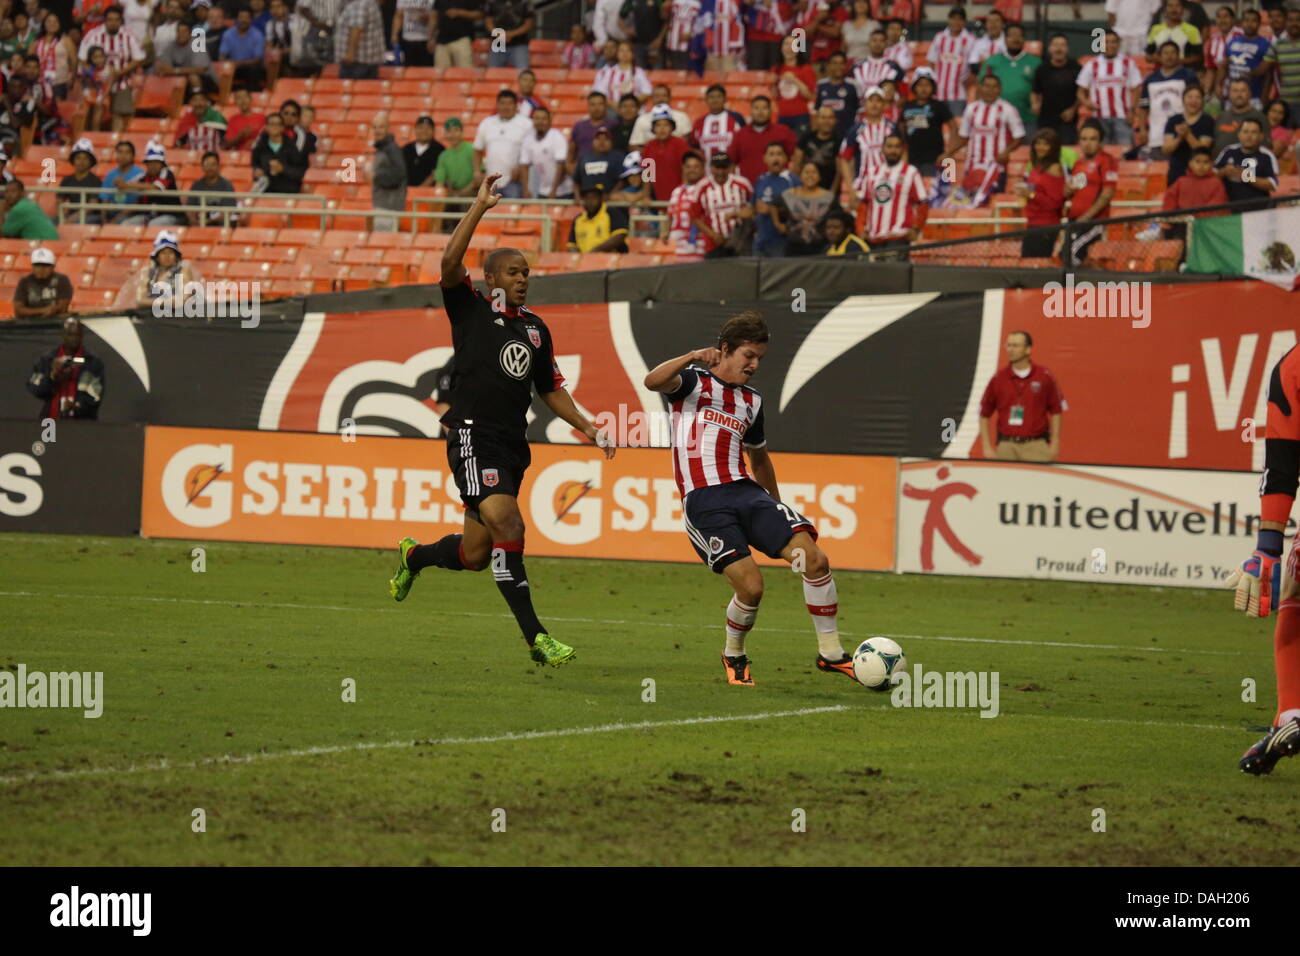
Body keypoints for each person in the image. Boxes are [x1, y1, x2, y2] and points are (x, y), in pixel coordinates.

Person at [389, 173, 614, 668]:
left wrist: (591, 426)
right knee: (509, 522)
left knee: (474, 554)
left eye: (526, 271)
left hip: (512, 445)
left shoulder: (535, 329)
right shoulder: (470, 310)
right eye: (513, 271)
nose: (522, 277)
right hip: (471, 436)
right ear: (490, 279)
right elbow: (449, 263)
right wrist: (479, 208)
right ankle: (537, 638)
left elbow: (551, 389)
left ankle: (413, 557)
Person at [642, 311, 859, 686]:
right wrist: (693, 354)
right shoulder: (692, 383)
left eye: (760, 358)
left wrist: (779, 507)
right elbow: (652, 381)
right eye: (749, 356)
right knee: (752, 587)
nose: (755, 365)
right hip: (705, 500)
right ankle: (734, 653)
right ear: (725, 350)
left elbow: (759, 456)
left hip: (748, 494)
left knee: (813, 559)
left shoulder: (752, 402)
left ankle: (831, 652)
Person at [1225, 343, 1300, 774]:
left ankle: (1290, 716)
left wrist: (1267, 548)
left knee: (1294, 597)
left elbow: (1282, 466)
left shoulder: (1292, 366)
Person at [979, 330, 1064, 463]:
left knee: (1037, 482)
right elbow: (984, 413)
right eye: (1008, 345)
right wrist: (986, 446)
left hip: (1035, 445)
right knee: (1005, 483)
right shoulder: (998, 378)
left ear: (1028, 349)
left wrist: (1055, 442)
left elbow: (1057, 410)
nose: (1010, 349)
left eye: (1016, 346)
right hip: (1006, 445)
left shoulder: (1044, 376)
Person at [939, 73, 1024, 196]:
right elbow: (963, 137)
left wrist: (1006, 152)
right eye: (987, 86)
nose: (990, 90)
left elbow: (1019, 137)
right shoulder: (971, 108)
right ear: (981, 88)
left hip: (996, 167)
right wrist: (948, 154)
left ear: (999, 89)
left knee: (993, 202)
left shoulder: (1008, 109)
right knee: (971, 205)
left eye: (994, 87)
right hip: (973, 166)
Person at [77, 4, 145, 132]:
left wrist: (118, 73)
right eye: (110, 20)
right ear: (104, 20)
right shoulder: (93, 35)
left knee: (120, 117)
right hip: (96, 85)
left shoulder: (129, 36)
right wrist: (94, 75)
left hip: (121, 82)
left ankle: (115, 144)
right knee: (93, 118)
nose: (113, 23)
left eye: (116, 20)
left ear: (121, 21)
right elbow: (82, 59)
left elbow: (138, 59)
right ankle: (94, 142)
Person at [1076, 30, 1143, 147]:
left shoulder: (1128, 63)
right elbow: (1080, 91)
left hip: (1122, 117)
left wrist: (1132, 111)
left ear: (1119, 44)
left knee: (1125, 151)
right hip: (1099, 117)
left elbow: (1137, 88)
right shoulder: (1092, 64)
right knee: (1101, 152)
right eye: (1106, 42)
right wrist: (1086, 102)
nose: (1110, 45)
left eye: (1113, 42)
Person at [1064, 119, 1118, 265]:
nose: (1087, 143)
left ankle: (1085, 286)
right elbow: (1072, 191)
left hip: (1093, 221)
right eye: (1084, 139)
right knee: (1064, 256)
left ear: (1100, 141)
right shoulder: (1078, 163)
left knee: (1070, 255)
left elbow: (1108, 193)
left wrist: (1088, 216)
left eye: (1093, 139)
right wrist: (1068, 191)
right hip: (1074, 220)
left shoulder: (1107, 161)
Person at [27, 318, 103, 421]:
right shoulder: (48, 360)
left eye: (77, 335)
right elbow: (36, 390)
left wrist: (76, 405)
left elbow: (96, 397)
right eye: (70, 334)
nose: (74, 339)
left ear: (82, 336)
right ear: (63, 335)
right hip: (51, 421)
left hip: (82, 424)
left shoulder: (92, 363)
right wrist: (52, 375)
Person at [864, 131, 927, 252]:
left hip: (898, 237)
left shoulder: (911, 172)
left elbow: (923, 204)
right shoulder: (871, 173)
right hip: (873, 238)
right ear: (882, 149)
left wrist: (916, 228)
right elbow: (864, 203)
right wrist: (861, 229)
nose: (893, 150)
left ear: (903, 149)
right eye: (889, 146)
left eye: (897, 147)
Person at [1138, 40, 1202, 157]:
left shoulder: (1188, 75)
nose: (1169, 56)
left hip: (1181, 136)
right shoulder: (1151, 79)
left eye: (1173, 53)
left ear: (1178, 55)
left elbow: (1197, 103)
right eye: (1166, 53)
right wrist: (1142, 129)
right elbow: (1143, 107)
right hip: (1156, 136)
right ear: (1159, 56)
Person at [838, 85, 896, 205]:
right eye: (871, 100)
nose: (874, 104)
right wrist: (851, 190)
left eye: (878, 100)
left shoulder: (892, 128)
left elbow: (903, 154)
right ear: (864, 104)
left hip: (890, 184)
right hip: (862, 187)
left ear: (884, 104)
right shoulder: (855, 130)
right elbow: (844, 159)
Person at [980, 22, 1041, 136]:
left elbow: (1043, 89)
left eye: (1019, 35)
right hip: (997, 120)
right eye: (1011, 35)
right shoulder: (992, 61)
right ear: (1005, 39)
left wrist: (1038, 104)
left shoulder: (1036, 63)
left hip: (1027, 119)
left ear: (1024, 39)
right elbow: (981, 88)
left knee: (1027, 153)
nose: (1015, 38)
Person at [1014, 128, 1065, 258]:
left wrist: (1031, 195)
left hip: (1046, 225)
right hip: (1032, 222)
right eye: (1038, 143)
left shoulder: (1054, 168)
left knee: (1037, 266)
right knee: (1027, 265)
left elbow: (1056, 202)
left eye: (1046, 144)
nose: (1040, 147)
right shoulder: (1035, 166)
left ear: (1053, 147)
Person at [691, 152, 754, 258]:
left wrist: (737, 214)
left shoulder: (743, 184)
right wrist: (713, 235)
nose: (720, 172)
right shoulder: (702, 187)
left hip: (740, 242)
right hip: (713, 244)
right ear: (711, 168)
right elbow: (694, 216)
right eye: (717, 168)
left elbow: (753, 208)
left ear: (730, 167)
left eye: (724, 168)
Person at [473, 89, 532, 200]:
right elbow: (478, 149)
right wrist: (477, 171)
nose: (506, 107)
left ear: (516, 106)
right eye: (502, 103)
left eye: (509, 103)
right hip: (490, 181)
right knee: (491, 215)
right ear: (497, 105)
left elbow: (531, 151)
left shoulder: (526, 124)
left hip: (514, 181)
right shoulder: (487, 123)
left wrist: (520, 167)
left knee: (512, 213)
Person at [1160, 145, 1228, 237]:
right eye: (1197, 162)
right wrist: (1172, 218)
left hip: (1206, 228)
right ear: (1190, 163)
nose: (1201, 166)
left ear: (1211, 164)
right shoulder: (1181, 181)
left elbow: (1215, 209)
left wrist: (1191, 218)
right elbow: (1169, 202)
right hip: (1182, 225)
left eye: (1205, 162)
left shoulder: (1216, 183)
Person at [772, 159, 836, 256]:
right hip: (793, 247)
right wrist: (778, 224)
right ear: (800, 175)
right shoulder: (789, 194)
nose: (810, 175)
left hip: (820, 247)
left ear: (819, 176)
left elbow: (838, 217)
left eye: (814, 172)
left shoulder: (829, 197)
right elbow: (773, 204)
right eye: (806, 172)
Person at [730, 94, 799, 184]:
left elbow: (797, 158)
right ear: (750, 111)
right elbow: (731, 162)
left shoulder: (783, 132)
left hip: (781, 189)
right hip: (749, 190)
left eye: (764, 108)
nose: (760, 112)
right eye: (756, 108)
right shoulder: (740, 134)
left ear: (770, 111)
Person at [1215, 116, 1279, 209]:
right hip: (1229, 207)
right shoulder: (1228, 151)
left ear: (1261, 136)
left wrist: (1247, 177)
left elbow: (1272, 184)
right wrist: (1224, 171)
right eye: (1245, 132)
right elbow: (1212, 175)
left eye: (1253, 132)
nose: (1249, 136)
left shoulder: (1267, 156)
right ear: (1239, 134)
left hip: (1259, 208)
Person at [121, 140, 184, 227]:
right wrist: (121, 183)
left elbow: (155, 187)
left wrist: (127, 185)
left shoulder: (167, 173)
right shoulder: (144, 175)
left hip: (170, 214)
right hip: (149, 215)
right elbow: (127, 184)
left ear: (162, 163)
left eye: (156, 162)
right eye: (150, 162)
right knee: (126, 224)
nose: (153, 165)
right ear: (146, 164)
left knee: (153, 225)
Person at [1032, 33, 1081, 146]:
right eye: (1055, 45)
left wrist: (1073, 109)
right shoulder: (1041, 69)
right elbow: (1035, 91)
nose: (1059, 49)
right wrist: (1035, 103)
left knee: (1067, 153)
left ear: (1067, 49)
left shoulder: (1076, 67)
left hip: (1068, 121)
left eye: (1062, 45)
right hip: (1046, 120)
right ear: (1050, 48)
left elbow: (1082, 92)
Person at [899, 68, 950, 176]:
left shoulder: (939, 106)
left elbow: (954, 128)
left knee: (931, 190)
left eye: (927, 85)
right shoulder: (907, 106)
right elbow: (901, 129)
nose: (923, 88)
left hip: (934, 159)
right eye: (920, 85)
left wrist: (948, 153)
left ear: (933, 88)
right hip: (912, 159)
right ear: (914, 87)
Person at [1220, 8, 1274, 107]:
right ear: (1241, 23)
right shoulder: (1233, 41)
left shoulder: (1265, 44)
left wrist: (1264, 97)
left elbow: (1268, 75)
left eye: (1254, 21)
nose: (1250, 24)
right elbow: (1224, 66)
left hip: (1254, 97)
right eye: (1246, 20)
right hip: (1232, 96)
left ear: (1259, 24)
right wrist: (1218, 86)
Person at [1162, 84, 1215, 183]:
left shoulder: (1207, 121)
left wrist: (1187, 135)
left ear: (1202, 101)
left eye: (1197, 97)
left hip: (1200, 175)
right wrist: (1179, 138)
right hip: (1176, 173)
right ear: (1183, 100)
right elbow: (1166, 149)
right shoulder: (1174, 120)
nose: (1193, 101)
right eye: (1189, 97)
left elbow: (1203, 151)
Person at [930, 4, 976, 118]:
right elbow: (931, 61)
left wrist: (965, 84)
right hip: (938, 94)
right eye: (953, 18)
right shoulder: (939, 37)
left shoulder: (970, 40)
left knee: (958, 126)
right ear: (949, 20)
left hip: (958, 95)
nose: (956, 22)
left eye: (960, 19)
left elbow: (975, 67)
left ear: (964, 22)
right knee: (938, 128)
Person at [752, 141, 797, 257]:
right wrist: (736, 213)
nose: (775, 158)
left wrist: (771, 210)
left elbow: (799, 210)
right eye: (771, 154)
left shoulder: (792, 180)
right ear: (764, 159)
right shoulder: (761, 180)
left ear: (786, 158)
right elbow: (753, 207)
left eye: (779, 154)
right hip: (760, 241)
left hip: (781, 241)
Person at [638, 103, 690, 202]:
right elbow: (647, 174)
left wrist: (683, 193)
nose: (662, 128)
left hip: (678, 195)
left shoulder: (680, 144)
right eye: (658, 125)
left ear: (672, 127)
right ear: (653, 128)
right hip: (657, 196)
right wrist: (646, 195)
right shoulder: (649, 146)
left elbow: (686, 170)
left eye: (666, 125)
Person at [517, 105, 571, 199]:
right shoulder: (528, 140)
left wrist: (554, 190)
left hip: (562, 190)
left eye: (543, 119)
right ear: (533, 121)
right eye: (537, 118)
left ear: (549, 121)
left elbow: (561, 165)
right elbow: (524, 165)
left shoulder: (557, 137)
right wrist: (525, 189)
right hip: (543, 190)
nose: (540, 122)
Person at [251, 111, 307, 193]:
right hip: (266, 191)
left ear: (282, 127)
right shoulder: (259, 147)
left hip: (287, 191)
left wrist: (283, 169)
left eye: (277, 124)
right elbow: (255, 166)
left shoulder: (292, 148)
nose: (274, 127)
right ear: (266, 127)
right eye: (271, 124)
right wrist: (257, 172)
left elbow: (300, 173)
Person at [1213, 77, 1271, 156]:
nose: (1239, 94)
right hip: (1220, 165)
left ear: (1250, 93)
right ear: (1229, 93)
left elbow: (1265, 148)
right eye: (1235, 91)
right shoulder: (1221, 116)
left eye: (1243, 91)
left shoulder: (1259, 117)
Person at [773, 34, 817, 136]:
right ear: (781, 47)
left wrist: (795, 80)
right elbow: (775, 96)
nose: (789, 48)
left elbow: (811, 96)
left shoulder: (806, 69)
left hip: (800, 116)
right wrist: (773, 83)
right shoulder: (776, 69)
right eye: (786, 44)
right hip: (782, 115)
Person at [690, 84, 747, 163]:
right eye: (711, 97)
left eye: (719, 96)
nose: (715, 100)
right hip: (707, 172)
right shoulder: (699, 123)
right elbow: (694, 147)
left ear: (725, 99)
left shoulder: (736, 118)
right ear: (706, 100)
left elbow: (745, 143)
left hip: (732, 171)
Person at [370, 114, 407, 233]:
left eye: (381, 127)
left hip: (389, 207)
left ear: (388, 129)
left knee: (382, 240)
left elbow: (399, 174)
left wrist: (376, 177)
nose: (377, 131)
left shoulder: (392, 149)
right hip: (383, 205)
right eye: (375, 127)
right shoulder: (383, 149)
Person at [14, 247, 73, 319]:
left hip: (55, 322)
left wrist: (54, 310)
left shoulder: (61, 280)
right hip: (29, 323)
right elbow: (18, 310)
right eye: (37, 265)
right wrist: (42, 311)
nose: (41, 269)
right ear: (32, 266)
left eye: (46, 265)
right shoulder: (25, 281)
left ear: (53, 267)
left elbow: (63, 307)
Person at [1263, 6, 1300, 122]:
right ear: (1286, 22)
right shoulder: (1278, 44)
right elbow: (1264, 69)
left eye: (1298, 20)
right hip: (1286, 103)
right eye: (1290, 20)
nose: (1294, 23)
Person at [567, 184, 629, 252]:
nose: (590, 201)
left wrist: (596, 251)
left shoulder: (612, 213)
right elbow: (571, 244)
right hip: (584, 260)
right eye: (587, 198)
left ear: (600, 198)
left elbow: (620, 236)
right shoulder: (578, 219)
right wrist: (578, 257)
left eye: (593, 197)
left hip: (609, 259)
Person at [185, 150, 238, 227]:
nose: (210, 168)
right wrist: (193, 221)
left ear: (218, 166)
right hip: (200, 222)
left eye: (213, 164)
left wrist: (208, 222)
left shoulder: (226, 185)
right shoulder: (196, 185)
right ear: (202, 167)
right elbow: (190, 208)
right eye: (207, 164)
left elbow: (229, 212)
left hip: (219, 224)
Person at [1146, 0, 1204, 69]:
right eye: (1170, 6)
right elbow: (1148, 56)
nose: (1174, 9)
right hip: (1160, 74)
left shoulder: (1192, 30)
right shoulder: (1155, 29)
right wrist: (1160, 60)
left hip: (1184, 73)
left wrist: (1177, 62)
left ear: (1183, 9)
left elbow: (1199, 57)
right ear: (1164, 10)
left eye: (1177, 6)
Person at [815, 51, 860, 140]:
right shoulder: (821, 85)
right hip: (826, 136)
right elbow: (816, 110)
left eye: (841, 63)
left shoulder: (853, 85)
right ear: (829, 65)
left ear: (845, 66)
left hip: (847, 134)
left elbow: (859, 110)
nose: (838, 67)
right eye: (835, 63)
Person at [219, 7, 266, 90]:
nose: (243, 20)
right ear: (236, 19)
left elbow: (257, 59)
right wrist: (225, 63)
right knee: (222, 70)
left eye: (246, 18)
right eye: (241, 17)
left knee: (254, 70)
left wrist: (238, 63)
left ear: (251, 20)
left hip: (250, 67)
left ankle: (251, 96)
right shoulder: (228, 34)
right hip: (233, 67)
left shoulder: (257, 35)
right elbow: (222, 55)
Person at [335, 0, 383, 79]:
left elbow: (356, 29)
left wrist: (350, 54)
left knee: (352, 90)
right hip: (363, 62)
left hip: (357, 63)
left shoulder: (361, 4)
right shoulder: (367, 3)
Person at [59, 137, 102, 225]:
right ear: (73, 160)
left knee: (79, 222)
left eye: (85, 158)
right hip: (70, 215)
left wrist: (72, 219)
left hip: (90, 216)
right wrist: (61, 217)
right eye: (78, 158)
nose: (81, 161)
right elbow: (59, 201)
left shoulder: (95, 181)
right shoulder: (66, 180)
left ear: (90, 162)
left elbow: (92, 206)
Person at [594, 38, 651, 103]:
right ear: (617, 54)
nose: (625, 53)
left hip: (634, 110)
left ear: (633, 54)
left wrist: (630, 105)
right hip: (612, 110)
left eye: (628, 50)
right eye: (621, 50)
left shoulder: (639, 72)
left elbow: (646, 92)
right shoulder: (608, 72)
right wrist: (616, 106)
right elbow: (600, 93)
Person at [573, 125, 625, 194]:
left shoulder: (618, 157)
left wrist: (611, 195)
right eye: (598, 139)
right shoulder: (584, 157)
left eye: (606, 139)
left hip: (610, 201)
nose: (602, 142)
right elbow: (576, 180)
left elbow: (622, 181)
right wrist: (577, 196)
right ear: (592, 141)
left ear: (611, 142)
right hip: (588, 200)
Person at [432, 0, 482, 68]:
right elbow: (433, 16)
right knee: (439, 74)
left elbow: (480, 14)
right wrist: (431, 37)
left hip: (462, 39)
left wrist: (459, 13)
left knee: (465, 73)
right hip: (441, 40)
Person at [174, 88, 226, 154]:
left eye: (202, 99)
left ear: (207, 102)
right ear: (190, 103)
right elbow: (179, 144)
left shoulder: (217, 118)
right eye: (195, 100)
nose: (198, 104)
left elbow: (226, 143)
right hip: (191, 161)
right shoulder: (186, 121)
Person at [403, 116, 444, 189]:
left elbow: (436, 174)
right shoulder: (406, 149)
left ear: (433, 131)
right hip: (406, 193)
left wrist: (419, 190)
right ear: (415, 130)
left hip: (429, 195)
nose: (424, 131)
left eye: (428, 128)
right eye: (421, 127)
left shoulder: (440, 150)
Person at [393, 0, 435, 67]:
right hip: (407, 38)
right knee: (408, 69)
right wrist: (394, 34)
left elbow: (434, 17)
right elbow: (398, 15)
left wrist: (431, 38)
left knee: (426, 70)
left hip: (425, 39)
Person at [967, 8, 1006, 73]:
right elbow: (973, 64)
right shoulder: (978, 43)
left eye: (996, 21)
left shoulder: (1008, 42)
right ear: (986, 24)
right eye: (990, 21)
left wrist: (985, 61)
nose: (993, 24)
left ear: (1003, 24)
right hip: (984, 81)